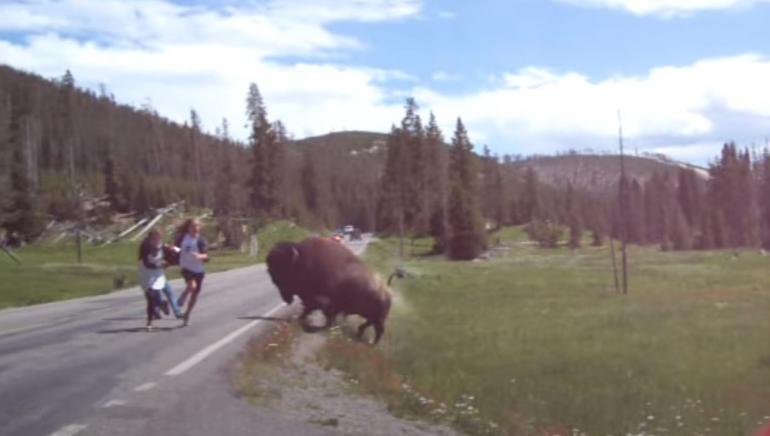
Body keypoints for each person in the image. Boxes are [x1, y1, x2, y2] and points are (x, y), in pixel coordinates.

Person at [138, 229, 183, 330]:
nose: (157, 241)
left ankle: (176, 312)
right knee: (151, 298)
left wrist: (174, 251)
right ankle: (158, 309)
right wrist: (159, 265)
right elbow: (146, 263)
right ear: (149, 239)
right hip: (146, 275)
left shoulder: (162, 246)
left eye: (158, 239)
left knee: (168, 291)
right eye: (154, 239)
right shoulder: (145, 247)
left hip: (158, 274)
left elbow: (177, 252)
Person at [174, 219, 209, 327]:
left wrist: (199, 256)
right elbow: (177, 249)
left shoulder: (201, 240)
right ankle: (183, 296)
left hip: (198, 270)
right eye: (193, 226)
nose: (195, 228)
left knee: (194, 295)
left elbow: (206, 256)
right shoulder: (183, 237)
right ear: (188, 228)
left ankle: (187, 314)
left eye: (197, 226)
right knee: (192, 286)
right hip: (186, 268)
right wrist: (172, 251)